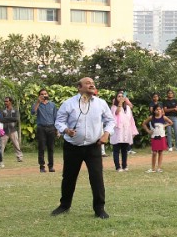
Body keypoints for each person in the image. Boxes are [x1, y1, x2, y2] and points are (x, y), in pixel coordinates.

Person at [52, 77, 115, 219]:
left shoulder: (101, 103)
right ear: (79, 88)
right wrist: (66, 130)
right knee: (69, 177)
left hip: (94, 147)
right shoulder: (68, 104)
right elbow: (59, 122)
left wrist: (106, 134)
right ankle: (64, 205)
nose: (91, 84)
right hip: (72, 147)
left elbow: (110, 121)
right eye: (87, 83)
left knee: (96, 177)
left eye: (92, 83)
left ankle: (99, 209)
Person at [33, 88, 58, 173]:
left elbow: (55, 118)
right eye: (42, 94)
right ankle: (42, 167)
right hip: (41, 128)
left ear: (47, 95)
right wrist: (38, 102)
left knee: (51, 148)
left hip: (51, 128)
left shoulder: (52, 105)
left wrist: (57, 130)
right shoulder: (37, 104)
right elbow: (33, 112)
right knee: (42, 148)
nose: (44, 95)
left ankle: (51, 166)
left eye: (45, 94)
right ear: (39, 96)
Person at [110, 92, 136, 171]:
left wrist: (133, 131)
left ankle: (124, 165)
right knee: (116, 150)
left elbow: (131, 119)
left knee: (124, 150)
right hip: (118, 131)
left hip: (126, 130)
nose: (121, 98)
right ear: (116, 98)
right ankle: (118, 167)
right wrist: (120, 103)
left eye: (122, 96)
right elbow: (116, 113)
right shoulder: (114, 107)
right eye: (119, 96)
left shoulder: (127, 108)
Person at [144, 105, 172, 173]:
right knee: (154, 152)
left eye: (160, 109)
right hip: (154, 137)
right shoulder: (151, 117)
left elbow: (171, 122)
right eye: (157, 109)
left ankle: (159, 168)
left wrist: (165, 125)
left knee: (160, 152)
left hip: (161, 136)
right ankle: (153, 168)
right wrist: (148, 131)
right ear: (154, 111)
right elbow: (144, 124)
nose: (158, 111)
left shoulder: (164, 117)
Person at [0, 97, 24, 163]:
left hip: (13, 130)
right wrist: (10, 118)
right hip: (4, 130)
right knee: (1, 146)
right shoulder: (2, 110)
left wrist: (6, 118)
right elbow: (0, 119)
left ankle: (19, 157)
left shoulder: (15, 110)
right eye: (5, 101)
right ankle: (0, 158)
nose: (5, 102)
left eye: (6, 101)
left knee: (16, 145)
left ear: (10, 102)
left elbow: (16, 119)